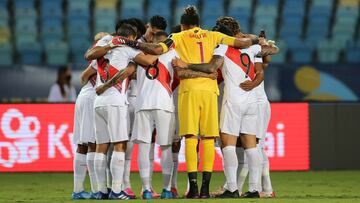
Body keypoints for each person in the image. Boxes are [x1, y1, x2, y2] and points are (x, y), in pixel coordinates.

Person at [118, 6, 257, 199]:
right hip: (209, 90)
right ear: (198, 23)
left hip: (188, 90)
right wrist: (258, 39)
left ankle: (192, 188)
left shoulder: (178, 38)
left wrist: (132, 43)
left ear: (183, 25)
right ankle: (205, 189)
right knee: (208, 139)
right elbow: (242, 42)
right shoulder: (214, 35)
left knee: (191, 139)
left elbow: (157, 49)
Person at [93, 23, 158, 200]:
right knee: (120, 145)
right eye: (134, 39)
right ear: (130, 38)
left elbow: (89, 55)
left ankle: (101, 191)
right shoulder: (128, 50)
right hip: (115, 102)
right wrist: (166, 45)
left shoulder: (104, 48)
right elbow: (148, 61)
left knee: (101, 147)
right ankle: (116, 191)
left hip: (98, 102)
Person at [214, 16, 277, 198]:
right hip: (251, 101)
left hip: (233, 100)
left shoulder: (223, 47)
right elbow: (261, 72)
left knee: (228, 145)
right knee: (252, 147)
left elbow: (212, 67)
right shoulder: (253, 47)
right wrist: (253, 83)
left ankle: (232, 188)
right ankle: (254, 189)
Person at [71, 32, 108, 200]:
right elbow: (83, 76)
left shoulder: (97, 54)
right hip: (90, 98)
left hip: (83, 97)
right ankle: (95, 190)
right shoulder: (99, 56)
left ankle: (79, 190)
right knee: (92, 143)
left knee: (83, 144)